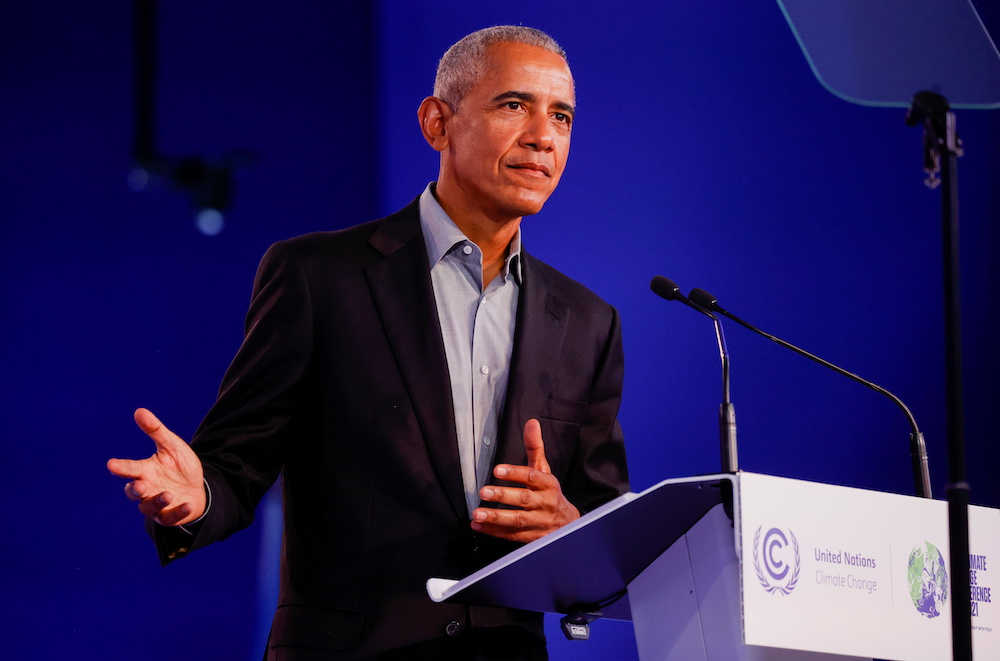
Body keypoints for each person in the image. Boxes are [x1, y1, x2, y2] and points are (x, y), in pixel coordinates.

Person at [108, 25, 628, 660]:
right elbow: (235, 465)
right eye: (514, 105)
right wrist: (197, 497)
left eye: (562, 116)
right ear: (437, 123)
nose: (543, 136)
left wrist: (567, 529)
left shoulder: (587, 320)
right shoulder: (318, 275)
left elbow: (604, 530)